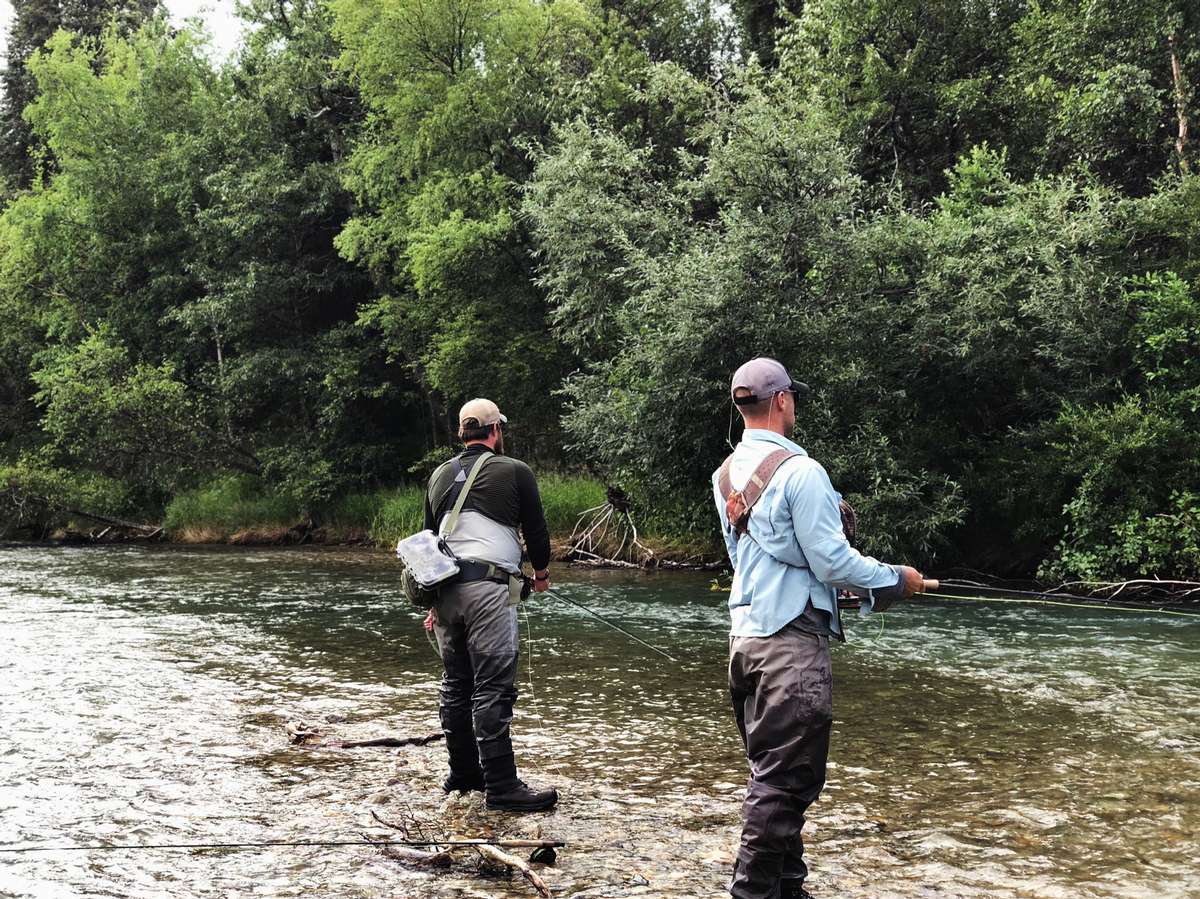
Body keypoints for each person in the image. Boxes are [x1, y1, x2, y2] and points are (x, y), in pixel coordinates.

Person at [712, 358, 926, 899]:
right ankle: (753, 894)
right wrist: (896, 580)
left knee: (774, 773)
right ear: (782, 400)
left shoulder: (726, 475)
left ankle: (788, 886)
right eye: (794, 398)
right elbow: (832, 563)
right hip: (789, 648)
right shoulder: (802, 473)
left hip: (745, 643)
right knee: (785, 782)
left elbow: (746, 557)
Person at [423, 397, 557, 812]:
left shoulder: (439, 475)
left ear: (462, 434)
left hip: (444, 590)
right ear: (495, 431)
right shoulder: (515, 470)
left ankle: (463, 776)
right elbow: (535, 530)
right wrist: (541, 574)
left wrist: (432, 603)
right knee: (493, 685)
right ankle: (501, 788)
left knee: (457, 684)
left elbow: (427, 542)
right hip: (487, 590)